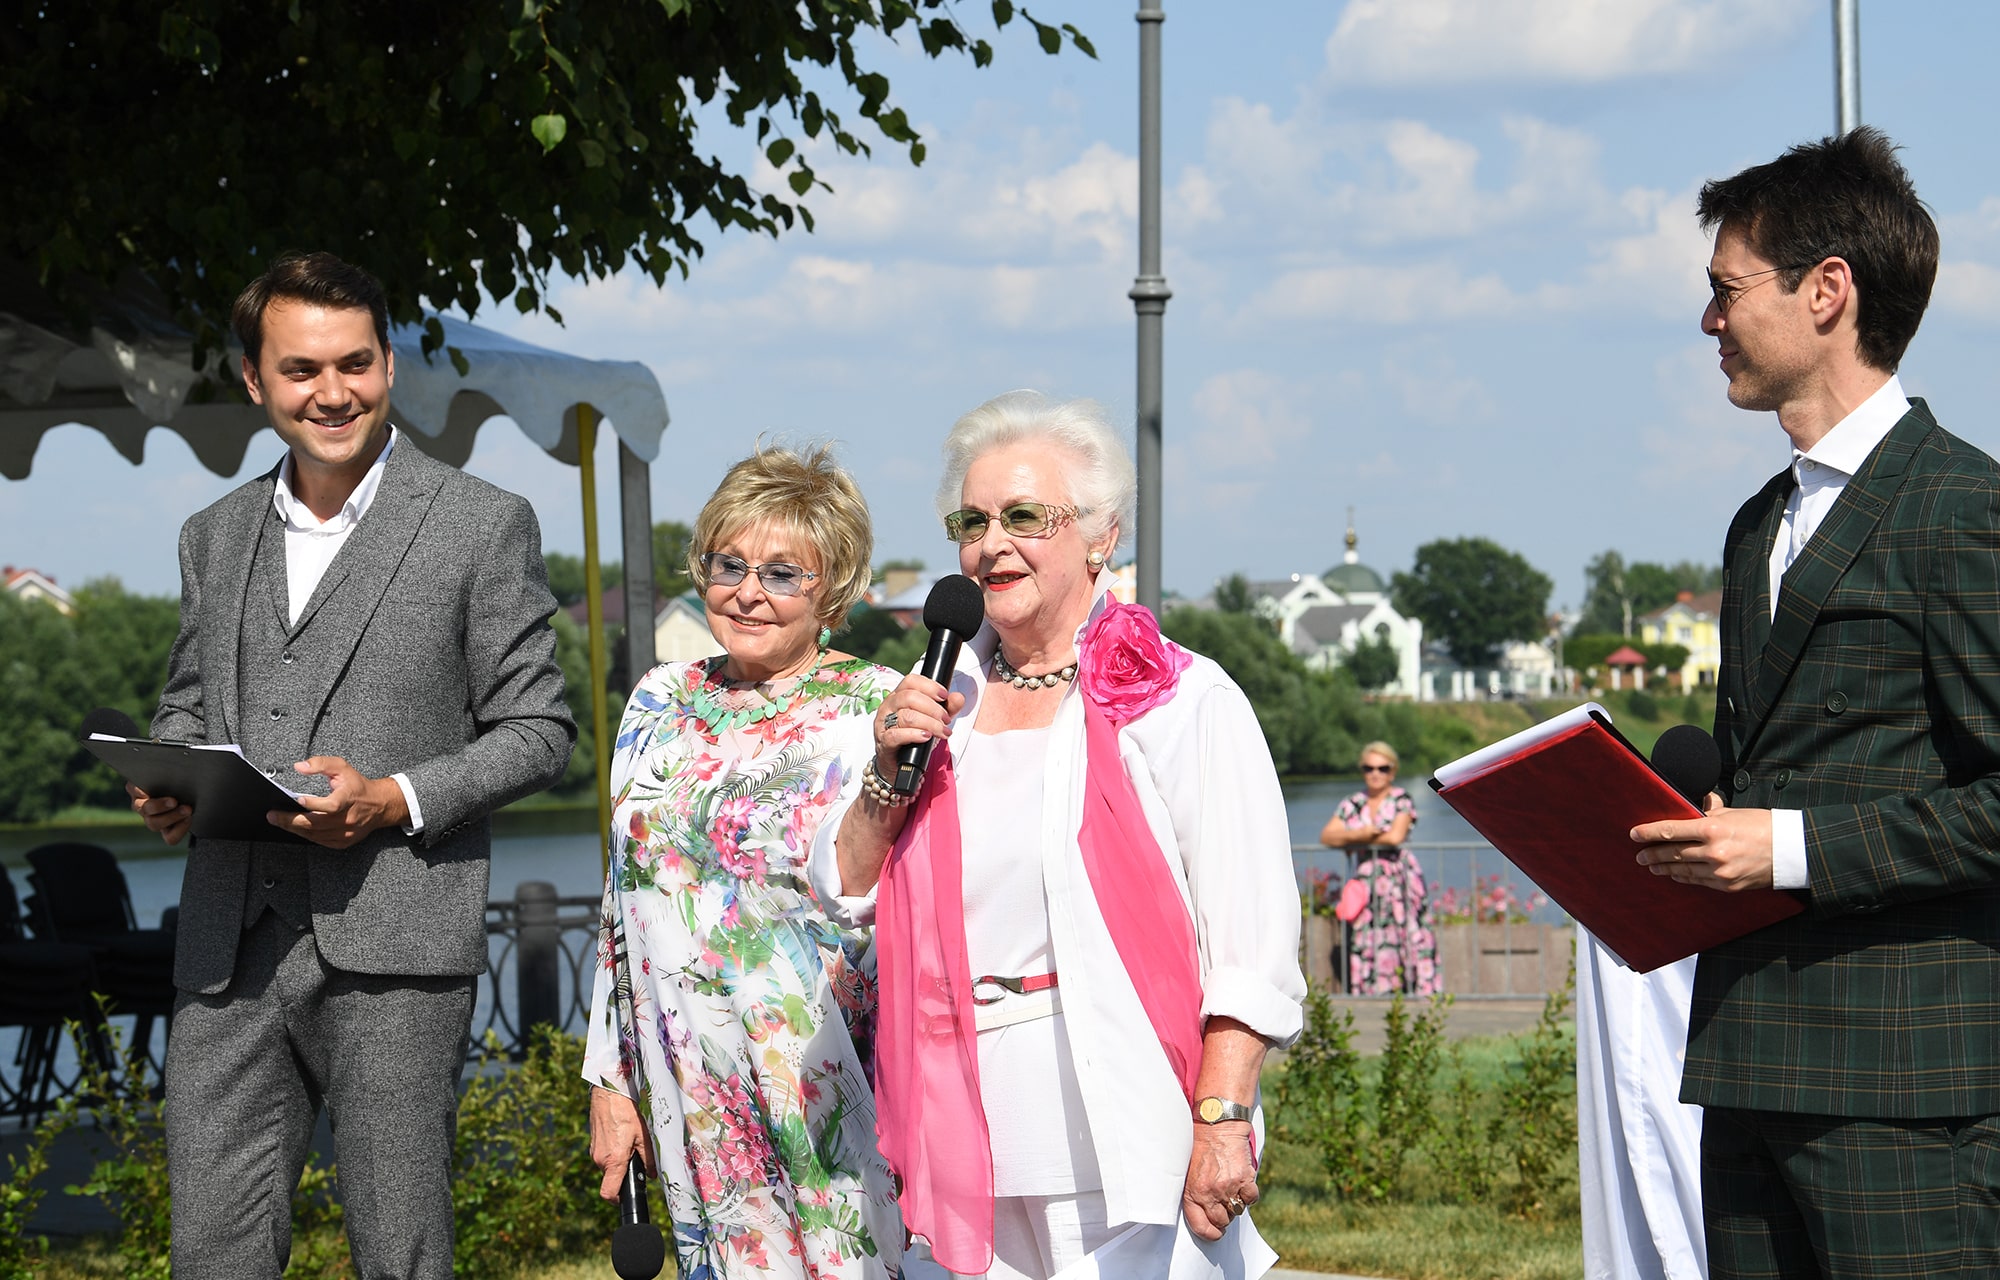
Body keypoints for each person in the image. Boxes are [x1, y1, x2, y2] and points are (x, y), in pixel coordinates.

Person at [128, 251, 575, 1278]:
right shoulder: (212, 533)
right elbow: (190, 701)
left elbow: (537, 726)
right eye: (300, 370)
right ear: (254, 379)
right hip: (225, 945)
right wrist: (167, 781)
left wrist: (395, 797)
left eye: (356, 362)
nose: (332, 391)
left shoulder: (480, 522)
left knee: (401, 1251)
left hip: (396, 946)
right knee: (210, 1251)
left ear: (387, 365)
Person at [809, 391, 1305, 1280]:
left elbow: (1250, 937)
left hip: (1121, 1105)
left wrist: (1223, 1118)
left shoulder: (1183, 699)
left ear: (1102, 535)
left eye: (1024, 516)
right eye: (971, 520)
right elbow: (843, 888)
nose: (990, 544)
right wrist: (888, 771)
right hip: (959, 1108)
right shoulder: (932, 701)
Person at [1631, 127, 2000, 1278]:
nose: (1708, 323)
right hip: (1746, 1065)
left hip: (1907, 1099)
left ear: (1826, 291)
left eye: (1724, 289)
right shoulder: (1757, 526)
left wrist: (1787, 845)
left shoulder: (1960, 510)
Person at [583, 445, 906, 1279]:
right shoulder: (658, 697)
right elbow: (622, 904)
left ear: (832, 588)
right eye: (729, 564)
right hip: (686, 1077)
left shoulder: (878, 708)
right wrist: (613, 1079)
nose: (747, 592)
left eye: (782, 573)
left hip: (822, 1074)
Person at [1318, 741, 1438, 996]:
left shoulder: (1401, 799)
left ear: (1392, 771)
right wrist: (1364, 833)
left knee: (1408, 932)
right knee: (1366, 936)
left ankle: (1416, 990)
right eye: (1369, 768)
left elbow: (1395, 837)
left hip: (1400, 879)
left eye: (1382, 768)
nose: (1375, 773)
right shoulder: (1353, 803)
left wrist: (1350, 837)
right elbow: (1327, 836)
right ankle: (1371, 990)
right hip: (1366, 882)